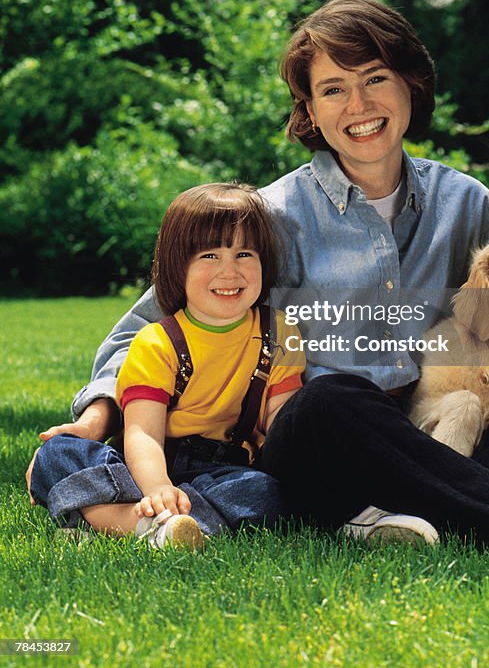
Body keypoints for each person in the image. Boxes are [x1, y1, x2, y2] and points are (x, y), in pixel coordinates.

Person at [28, 0, 489, 549]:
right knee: (334, 398)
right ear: (310, 110)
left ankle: (404, 517)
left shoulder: (469, 205)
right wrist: (96, 417)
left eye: (374, 78)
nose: (358, 104)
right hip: (324, 442)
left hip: (453, 435)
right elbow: (148, 328)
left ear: (409, 86)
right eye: (332, 88)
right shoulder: (271, 216)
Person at [30, 183, 304, 548]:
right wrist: (158, 487)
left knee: (264, 492)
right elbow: (142, 433)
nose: (229, 272)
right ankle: (144, 524)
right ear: (177, 265)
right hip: (146, 462)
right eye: (210, 256)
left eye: (244, 254)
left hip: (224, 470)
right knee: (61, 452)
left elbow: (281, 419)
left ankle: (119, 522)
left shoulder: (278, 332)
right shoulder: (157, 341)